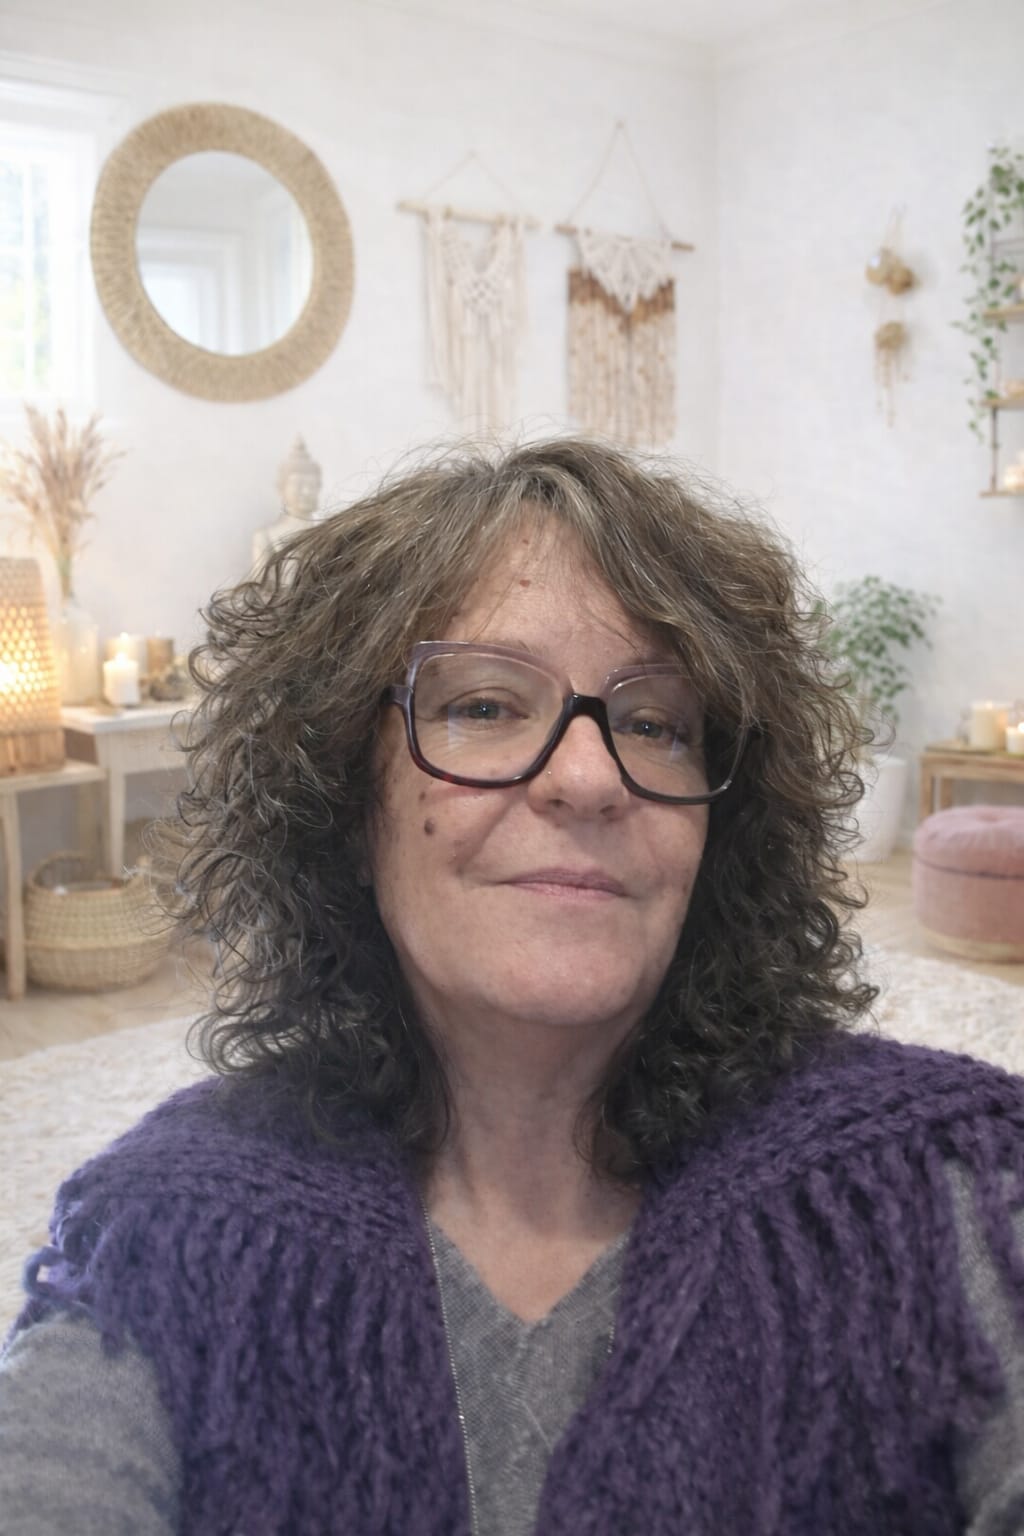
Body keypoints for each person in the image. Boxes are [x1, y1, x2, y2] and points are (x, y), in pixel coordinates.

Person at [3, 436, 1024, 1535]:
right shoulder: (169, 1230)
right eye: (486, 706)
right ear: (345, 800)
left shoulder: (937, 1183)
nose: (588, 775)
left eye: (654, 724)